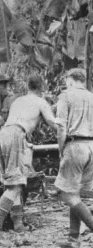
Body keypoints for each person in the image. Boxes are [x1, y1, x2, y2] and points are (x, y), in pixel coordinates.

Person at [0, 75, 57, 247]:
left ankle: (18, 225)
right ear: (42, 87)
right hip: (16, 135)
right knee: (15, 185)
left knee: (12, 183)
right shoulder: (41, 102)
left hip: (3, 135)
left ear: (28, 86)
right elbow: (54, 124)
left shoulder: (18, 101)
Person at [54, 68, 93, 248]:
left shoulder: (66, 95)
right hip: (91, 147)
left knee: (67, 194)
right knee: (74, 192)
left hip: (75, 145)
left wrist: (61, 149)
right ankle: (73, 238)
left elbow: (61, 127)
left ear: (70, 80)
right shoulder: (92, 97)